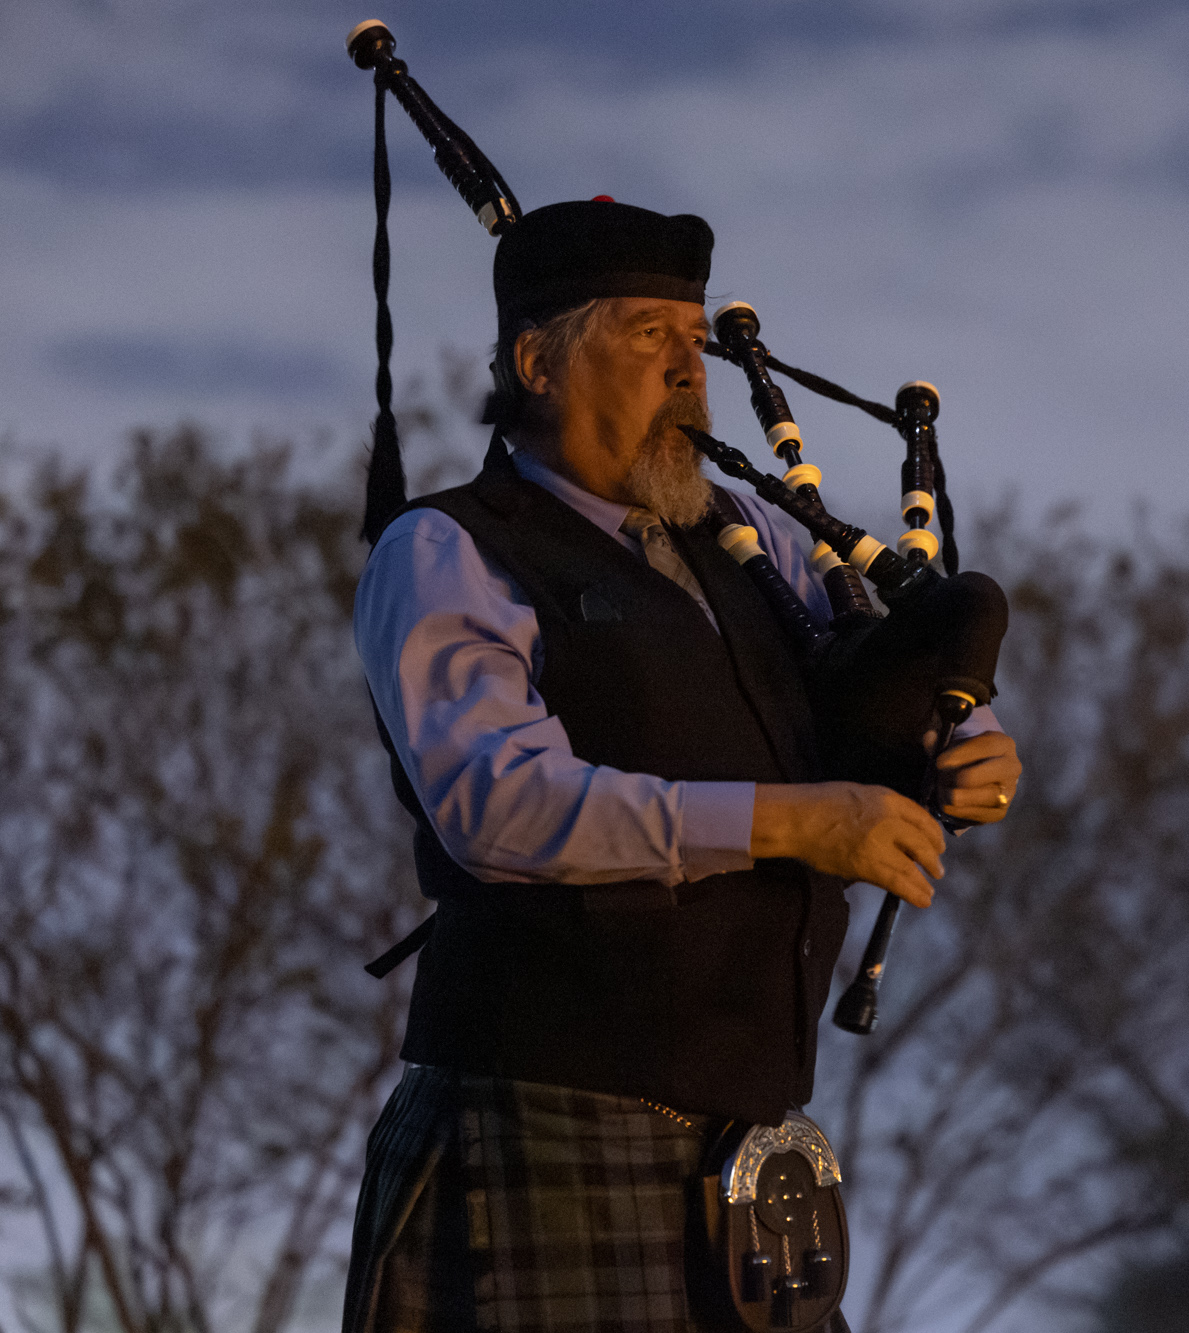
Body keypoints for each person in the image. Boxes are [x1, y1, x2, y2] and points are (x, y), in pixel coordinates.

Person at [341, 198, 1020, 1333]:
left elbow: (859, 715)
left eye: (695, 340)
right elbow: (496, 806)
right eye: (647, 335)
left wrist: (949, 752)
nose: (690, 370)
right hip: (540, 1131)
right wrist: (793, 823)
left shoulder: (754, 551)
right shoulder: (451, 549)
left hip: (753, 1164)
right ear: (537, 362)